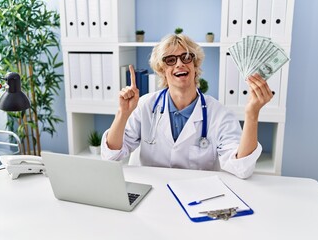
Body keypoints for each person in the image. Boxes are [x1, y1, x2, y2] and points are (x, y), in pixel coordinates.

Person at [101, 34, 273, 179]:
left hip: (199, 196)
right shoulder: (145, 105)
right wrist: (122, 113)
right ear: (161, 70)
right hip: (152, 191)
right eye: (170, 60)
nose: (179, 64)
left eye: (186, 57)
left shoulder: (219, 114)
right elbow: (111, 156)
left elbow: (241, 168)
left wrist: (252, 114)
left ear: (195, 65)